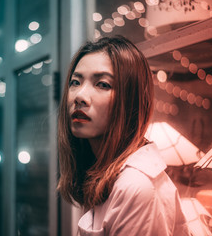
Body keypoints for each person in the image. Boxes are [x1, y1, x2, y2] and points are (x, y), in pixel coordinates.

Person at [57, 36, 190, 235]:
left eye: (102, 84)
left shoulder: (138, 187)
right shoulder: (102, 172)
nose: (79, 97)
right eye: (75, 82)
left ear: (130, 100)